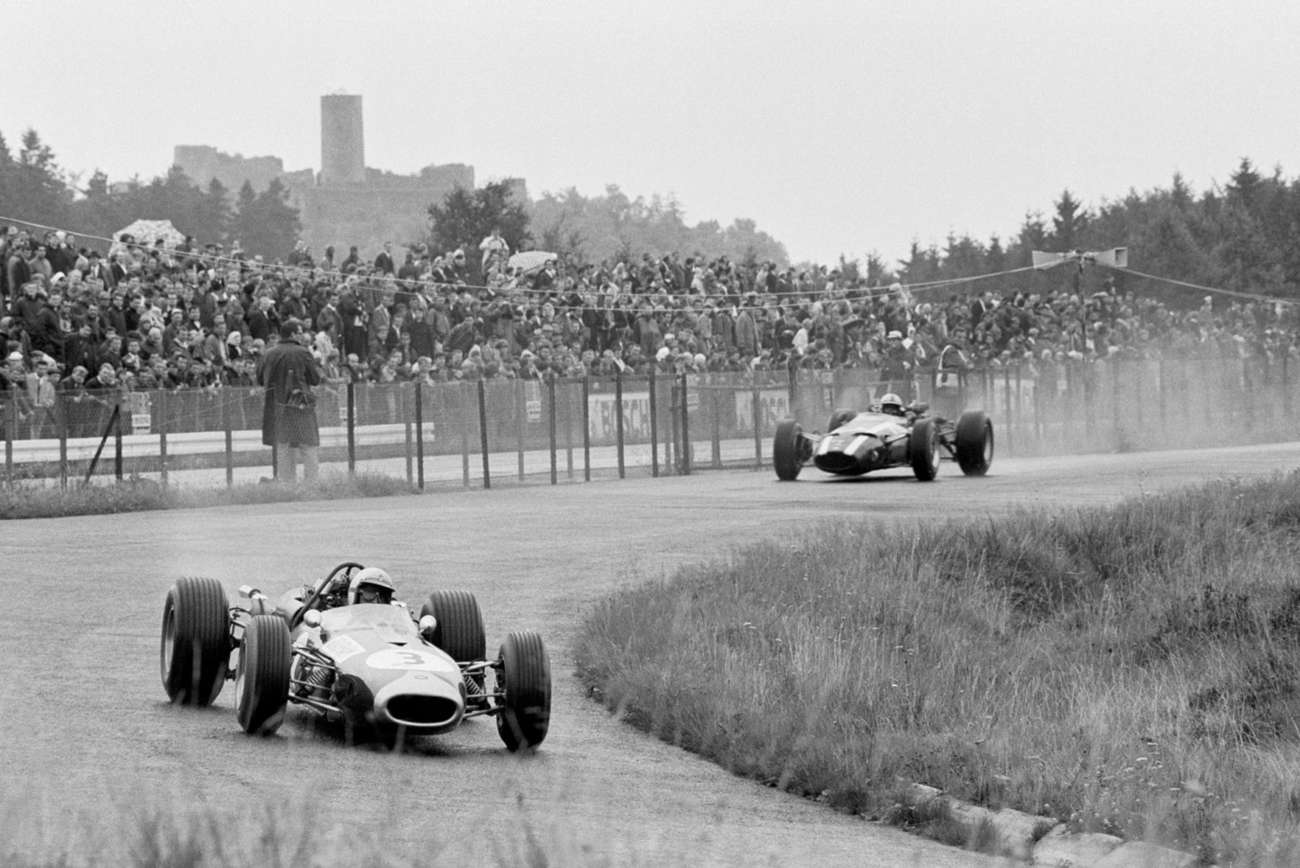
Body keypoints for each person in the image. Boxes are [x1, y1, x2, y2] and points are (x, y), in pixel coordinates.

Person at [258, 318, 321, 483]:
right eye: (300, 332)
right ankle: (312, 484)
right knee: (308, 444)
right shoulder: (303, 352)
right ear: (293, 334)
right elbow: (315, 379)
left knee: (283, 445)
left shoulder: (268, 353)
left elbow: (260, 379)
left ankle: (287, 486)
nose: (302, 336)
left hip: (276, 406)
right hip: (300, 403)